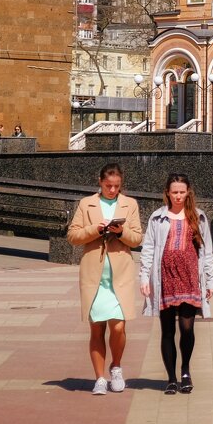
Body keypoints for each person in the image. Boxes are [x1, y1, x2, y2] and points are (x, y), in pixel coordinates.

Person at [66, 162, 143, 395]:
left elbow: (137, 238)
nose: (112, 190)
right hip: (94, 275)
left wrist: (121, 232)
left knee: (118, 326)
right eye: (108, 186)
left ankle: (116, 367)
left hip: (120, 274)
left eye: (117, 186)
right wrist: (95, 229)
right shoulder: (86, 204)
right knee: (97, 328)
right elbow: (72, 236)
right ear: (100, 182)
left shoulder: (130, 204)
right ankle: (99, 378)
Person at [139, 173, 213, 395]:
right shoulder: (157, 217)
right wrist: (144, 277)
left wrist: (210, 280)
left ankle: (185, 370)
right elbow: (149, 249)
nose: (178, 196)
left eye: (182, 192)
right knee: (167, 330)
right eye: (174, 192)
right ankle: (171, 378)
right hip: (165, 278)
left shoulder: (198, 217)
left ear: (188, 192)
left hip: (190, 277)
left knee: (187, 328)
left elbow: (207, 251)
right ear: (167, 193)